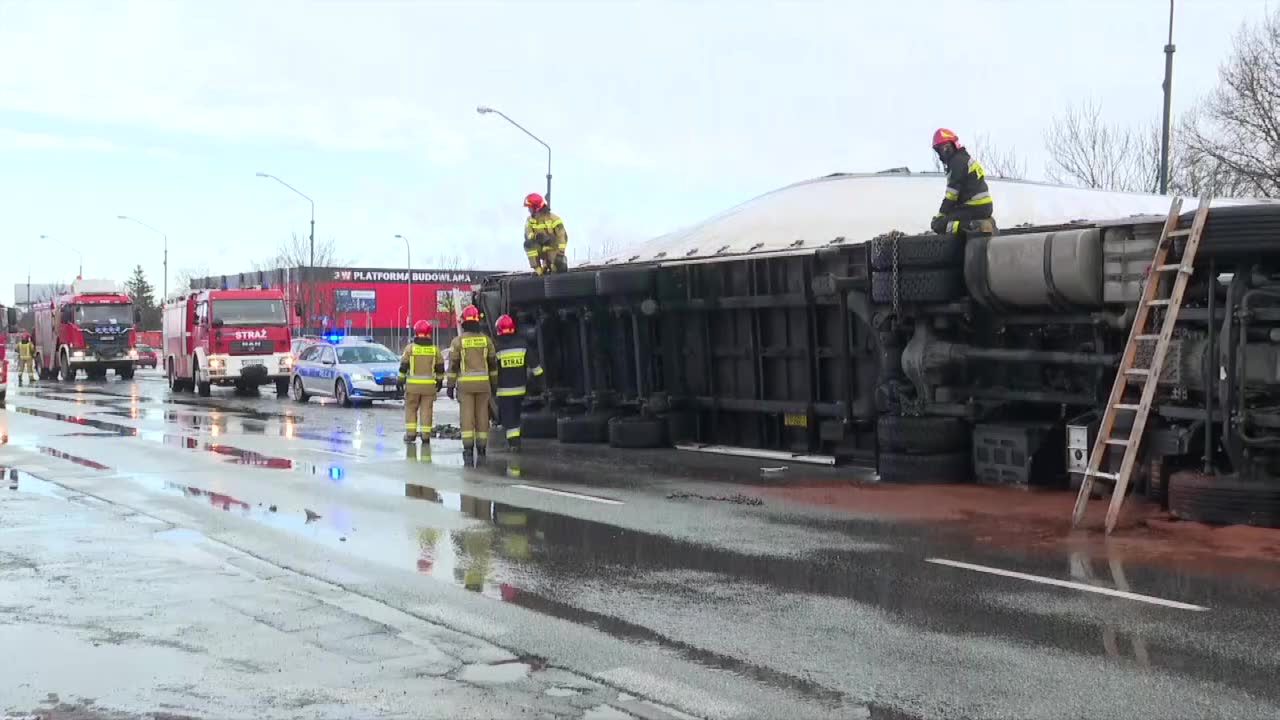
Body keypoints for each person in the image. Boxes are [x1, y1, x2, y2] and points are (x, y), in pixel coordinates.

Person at [447, 305, 497, 462]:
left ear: (463, 322)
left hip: (465, 385)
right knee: (483, 415)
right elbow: (493, 364)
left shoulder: (458, 342)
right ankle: (482, 447)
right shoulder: (486, 340)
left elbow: (453, 365)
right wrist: (494, 384)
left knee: (467, 416)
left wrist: (450, 385)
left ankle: (468, 448)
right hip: (483, 384)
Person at [930, 128, 997, 236]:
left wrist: (941, 215)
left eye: (946, 147)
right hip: (985, 207)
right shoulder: (964, 158)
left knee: (940, 226)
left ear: (953, 145)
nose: (944, 152)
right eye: (941, 149)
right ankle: (988, 223)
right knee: (949, 218)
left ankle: (974, 226)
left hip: (973, 207)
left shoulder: (956, 162)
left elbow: (952, 195)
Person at [492, 314, 544, 452]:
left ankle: (514, 444)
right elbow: (536, 369)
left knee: (509, 420)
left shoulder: (497, 348)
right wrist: (539, 385)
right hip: (521, 389)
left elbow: (493, 371)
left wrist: (492, 389)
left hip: (504, 391)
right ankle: (515, 441)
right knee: (516, 415)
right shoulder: (523, 345)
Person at [400, 320, 445, 444]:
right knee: (426, 410)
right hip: (429, 387)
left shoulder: (410, 349)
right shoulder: (435, 350)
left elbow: (403, 367)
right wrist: (439, 382)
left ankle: (410, 435)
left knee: (411, 409)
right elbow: (440, 368)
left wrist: (400, 380)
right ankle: (425, 436)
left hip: (412, 387)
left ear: (416, 332)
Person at [523, 193, 569, 274]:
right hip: (541, 249)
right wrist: (536, 236)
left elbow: (562, 237)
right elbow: (528, 234)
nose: (528, 210)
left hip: (554, 249)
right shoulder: (530, 221)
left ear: (536, 207)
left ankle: (552, 265)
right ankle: (538, 270)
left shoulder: (554, 219)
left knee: (558, 268)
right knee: (528, 244)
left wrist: (560, 254)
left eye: (530, 207)